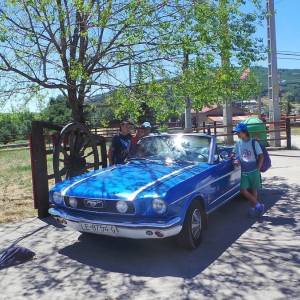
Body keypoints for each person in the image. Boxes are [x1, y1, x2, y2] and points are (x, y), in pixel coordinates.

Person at [233, 122, 265, 217]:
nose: (237, 134)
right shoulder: (238, 143)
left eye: (238, 132)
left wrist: (258, 169)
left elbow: (261, 156)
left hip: (254, 170)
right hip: (244, 172)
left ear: (244, 132)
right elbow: (236, 156)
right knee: (243, 190)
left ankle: (254, 208)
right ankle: (259, 205)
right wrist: (236, 160)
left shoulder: (253, 142)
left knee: (254, 190)